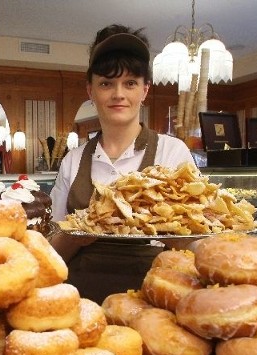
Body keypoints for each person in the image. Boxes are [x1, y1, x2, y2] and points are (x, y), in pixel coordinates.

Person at [49, 24, 197, 303]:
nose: (118, 94)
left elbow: (195, 246)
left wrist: (163, 225)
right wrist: (78, 233)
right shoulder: (74, 159)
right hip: (81, 300)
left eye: (130, 83)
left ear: (145, 91)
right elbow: (53, 254)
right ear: (90, 91)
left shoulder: (172, 153)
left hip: (155, 300)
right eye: (106, 83)